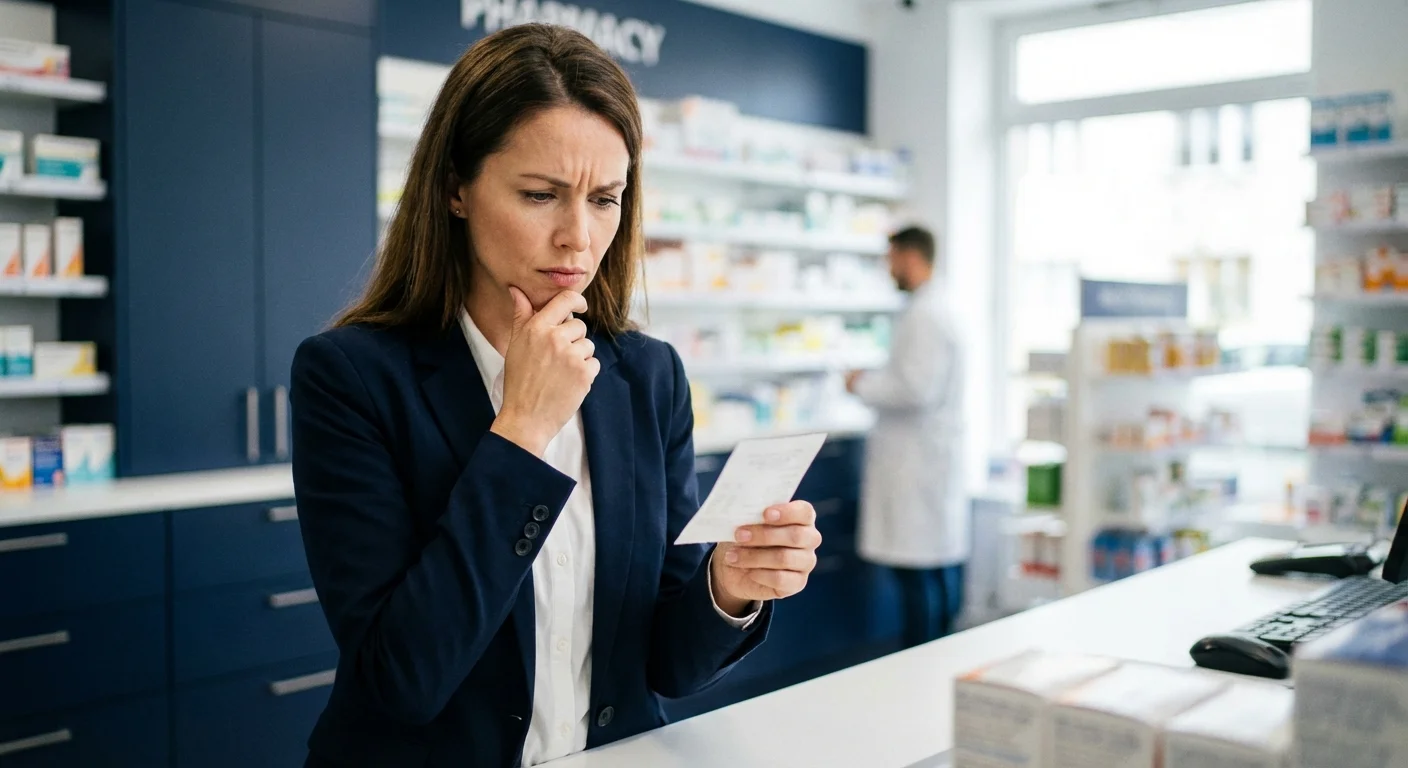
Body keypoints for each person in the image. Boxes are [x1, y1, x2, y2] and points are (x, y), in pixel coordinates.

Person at [290, 25, 823, 768]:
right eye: (541, 195)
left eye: (605, 199)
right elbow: (401, 680)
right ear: (455, 188)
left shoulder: (648, 376)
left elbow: (667, 666)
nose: (578, 236)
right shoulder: (351, 377)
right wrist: (521, 431)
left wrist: (727, 587)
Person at [844, 226, 969, 649]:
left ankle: (925, 659)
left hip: (917, 461)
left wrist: (861, 384)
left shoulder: (925, 314)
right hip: (928, 456)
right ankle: (939, 654)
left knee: (918, 573)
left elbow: (914, 389)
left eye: (891, 258)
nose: (888, 267)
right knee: (932, 568)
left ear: (910, 257)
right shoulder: (937, 306)